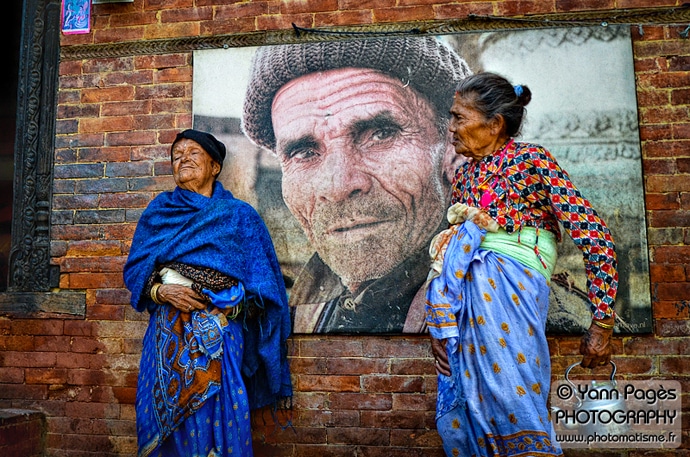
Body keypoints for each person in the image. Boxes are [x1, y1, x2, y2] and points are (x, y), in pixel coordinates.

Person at [425, 73, 618, 456]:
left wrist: (603, 320)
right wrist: (440, 326)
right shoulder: (463, 177)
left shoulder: (532, 161)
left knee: (517, 398)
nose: (450, 128)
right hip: (463, 314)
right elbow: (452, 255)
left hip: (514, 298)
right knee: (471, 407)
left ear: (495, 124)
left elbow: (594, 236)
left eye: (459, 118)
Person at [241, 36, 472, 333]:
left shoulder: (507, 307)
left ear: (455, 150)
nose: (338, 186)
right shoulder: (298, 308)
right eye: (303, 152)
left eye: (381, 134)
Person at [123, 129, 292, 457]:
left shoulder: (240, 217)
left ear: (215, 166)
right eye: (176, 155)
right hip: (166, 336)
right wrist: (162, 292)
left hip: (221, 334)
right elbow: (135, 271)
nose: (182, 158)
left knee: (220, 413)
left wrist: (227, 309)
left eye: (192, 153)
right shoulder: (159, 213)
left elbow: (266, 289)